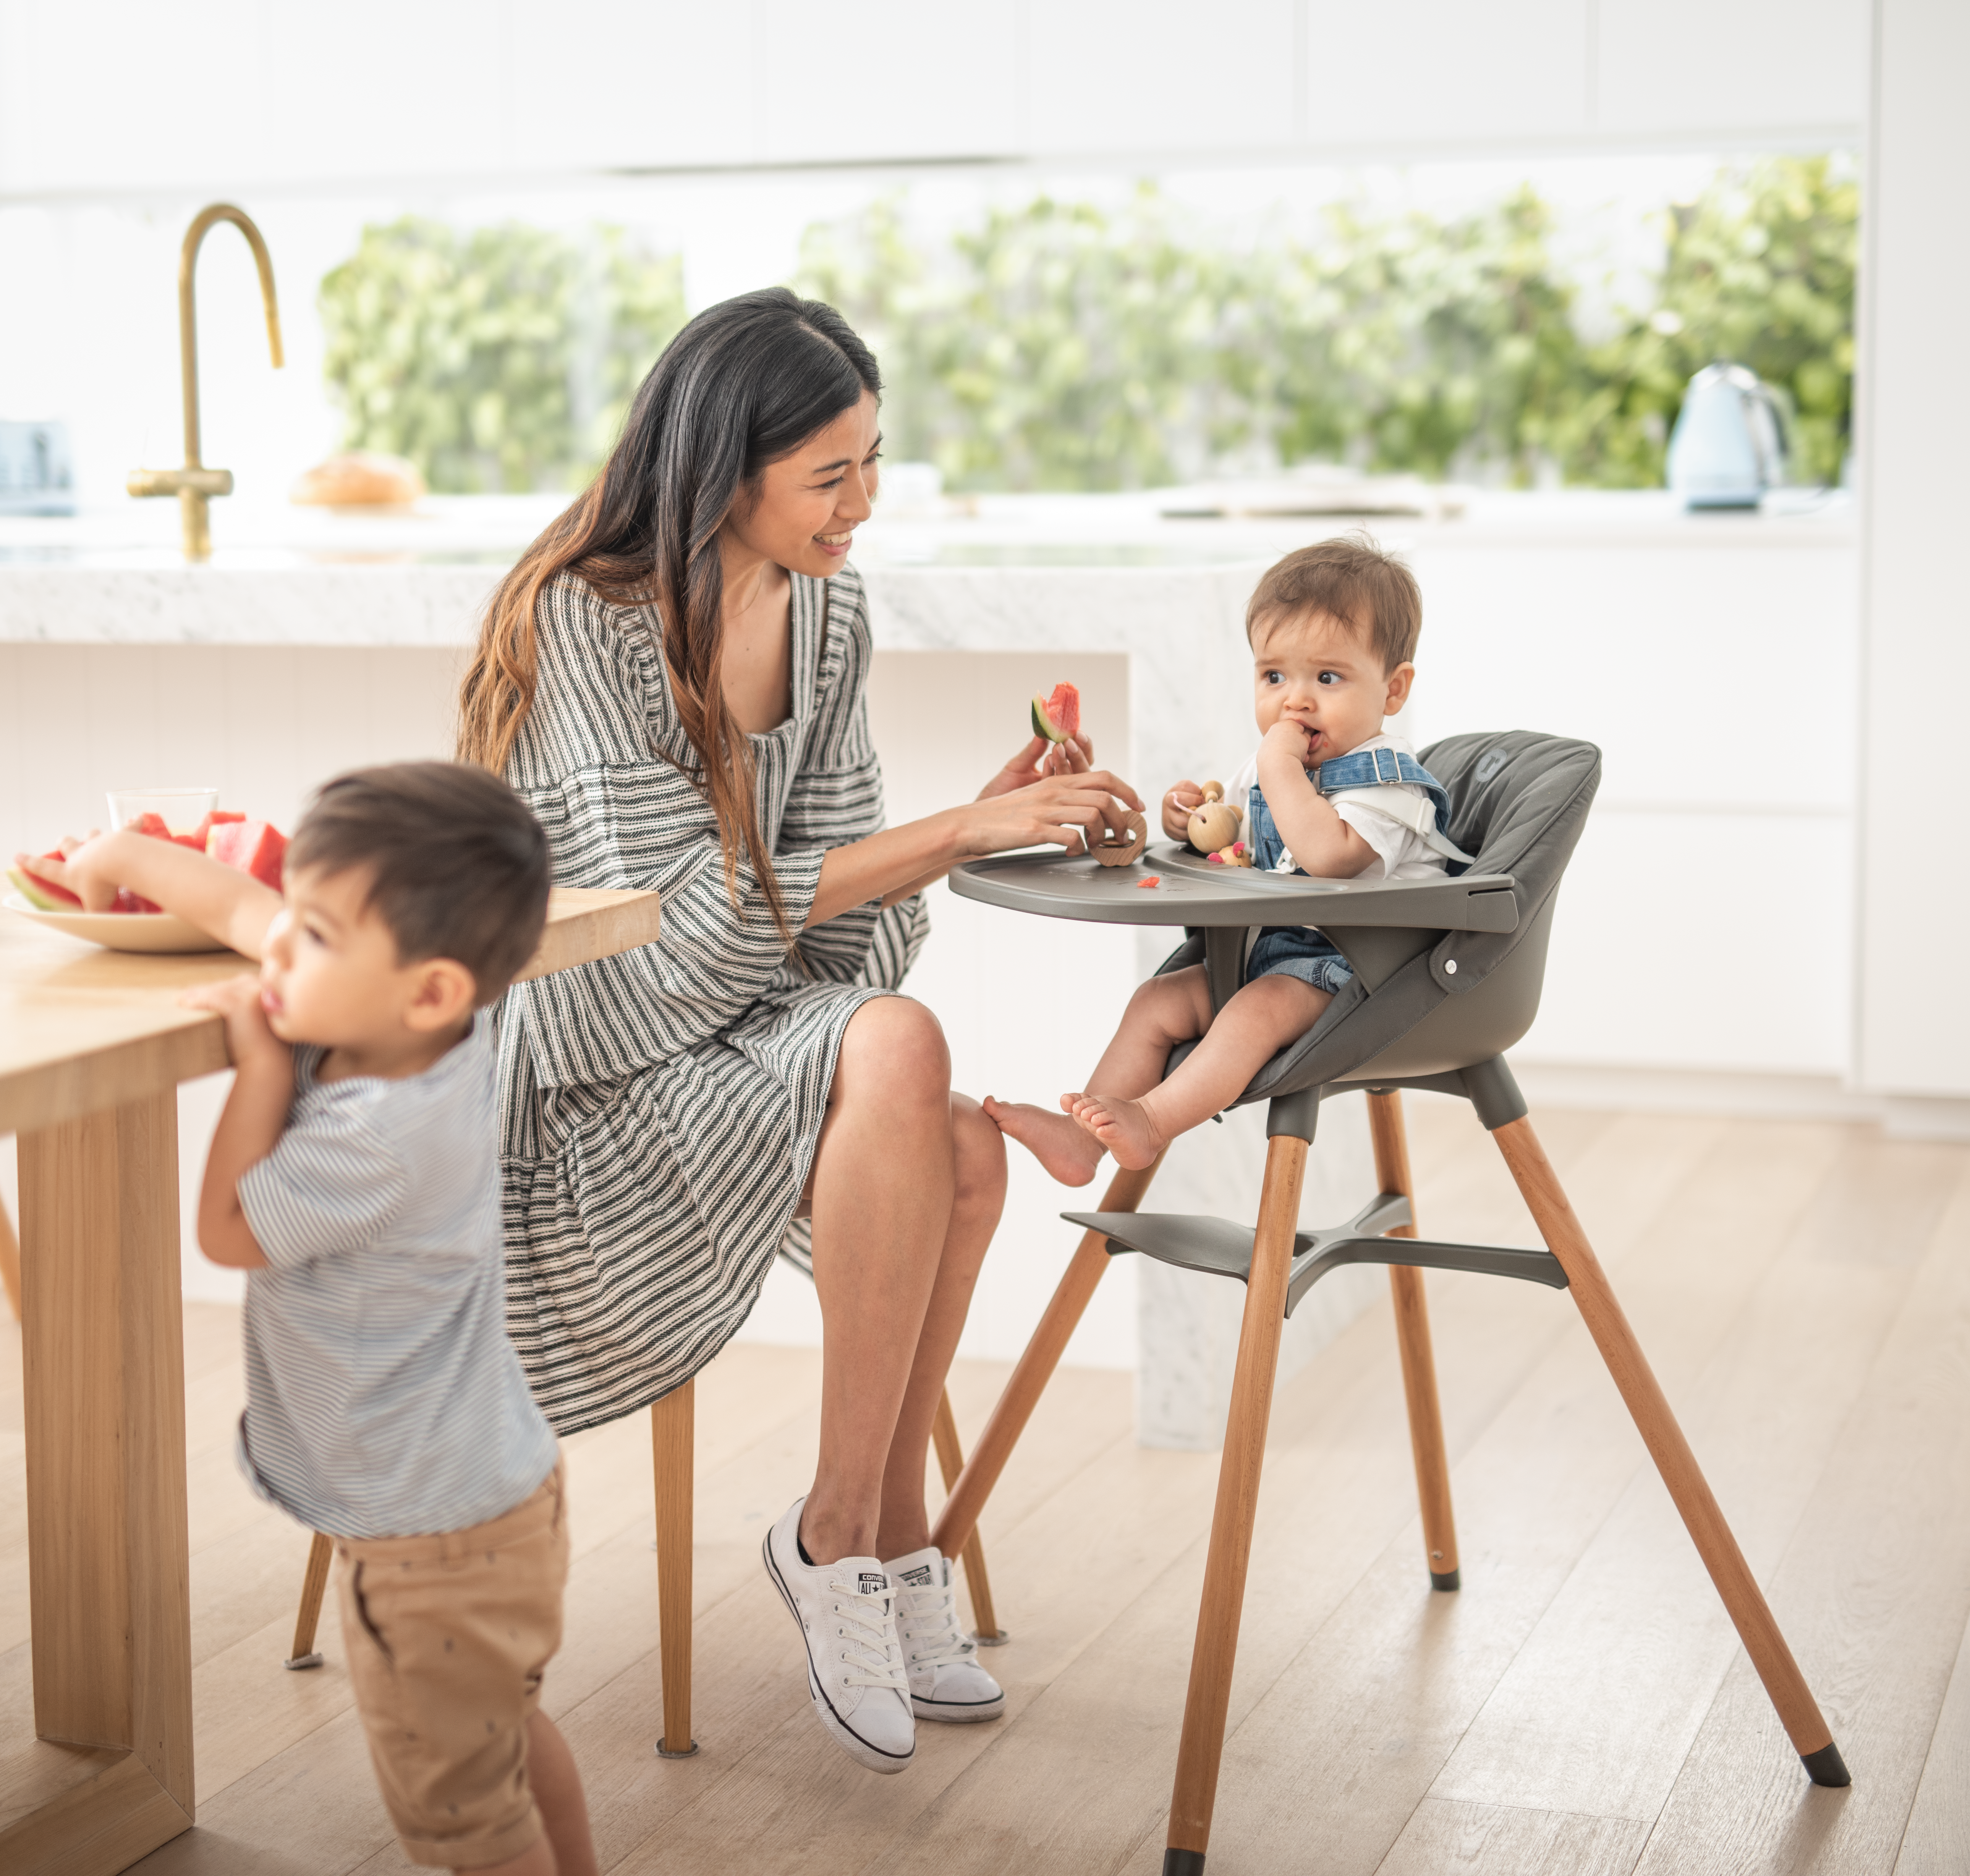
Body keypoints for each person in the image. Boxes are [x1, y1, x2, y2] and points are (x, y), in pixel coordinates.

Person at [455, 288, 1140, 1774]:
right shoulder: (584, 616)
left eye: (874, 463)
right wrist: (958, 827)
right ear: (723, 468)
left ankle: (862, 1536)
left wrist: (960, 825)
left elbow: (841, 936)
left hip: (753, 1024)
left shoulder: (831, 613)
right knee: (909, 1065)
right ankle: (861, 1536)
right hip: (590, 1055)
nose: (864, 505)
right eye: (831, 474)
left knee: (945, 1120)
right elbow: (658, 931)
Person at [24, 764, 598, 1876]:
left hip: (428, 1544)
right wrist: (128, 860)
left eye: (316, 939)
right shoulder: (427, 1028)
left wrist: (252, 1066)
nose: (276, 953)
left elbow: (232, 1227)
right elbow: (253, 913)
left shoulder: (378, 1135)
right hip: (491, 1501)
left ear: (425, 990)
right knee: (506, 1742)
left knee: (465, 1817)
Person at [987, 536, 1467, 1185]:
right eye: (1274, 676)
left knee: (1255, 1009)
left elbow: (1329, 855)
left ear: (1393, 689)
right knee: (1158, 1001)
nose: (1294, 702)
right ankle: (1079, 1143)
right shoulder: (1273, 764)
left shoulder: (1389, 783)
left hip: (1365, 972)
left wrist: (1277, 766)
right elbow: (1232, 839)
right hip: (1277, 952)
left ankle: (1152, 1123)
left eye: (1327, 678)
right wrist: (1189, 822)